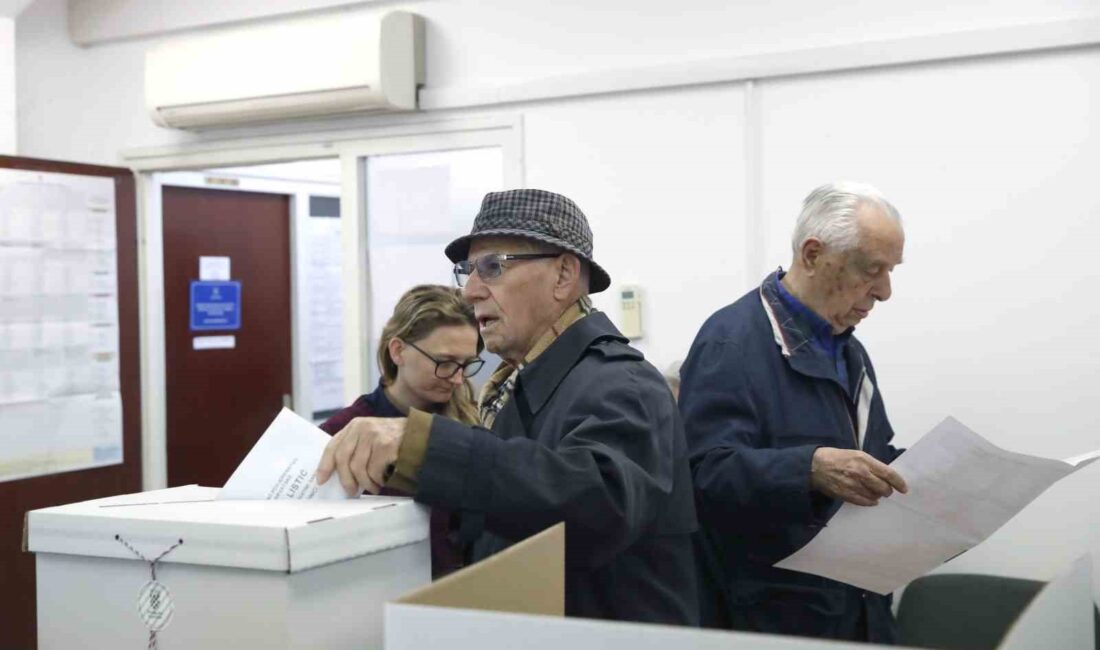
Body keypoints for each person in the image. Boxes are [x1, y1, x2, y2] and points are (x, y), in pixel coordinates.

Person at [317, 189, 699, 625]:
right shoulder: (520, 384)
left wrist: (424, 446)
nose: (471, 292)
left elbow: (597, 504)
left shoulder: (622, 383)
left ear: (563, 275)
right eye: (468, 271)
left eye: (493, 268)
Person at [679, 182, 909, 643]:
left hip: (859, 614)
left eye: (891, 271)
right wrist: (809, 468)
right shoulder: (731, 344)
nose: (885, 291)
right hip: (772, 624)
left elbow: (870, 456)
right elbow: (703, 473)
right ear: (812, 254)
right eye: (872, 270)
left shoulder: (852, 355)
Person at [319, 284, 484, 578]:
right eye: (444, 363)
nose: (457, 379)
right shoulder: (342, 433)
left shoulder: (472, 421)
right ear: (398, 351)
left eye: (466, 365)